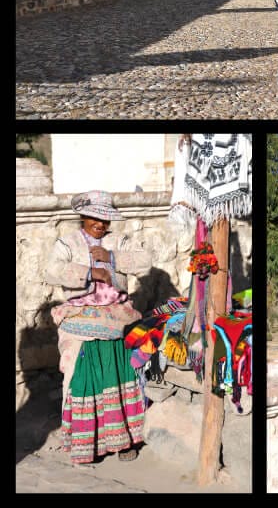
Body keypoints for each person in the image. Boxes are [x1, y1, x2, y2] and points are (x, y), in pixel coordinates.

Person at [42, 190, 153, 464]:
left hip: (116, 318)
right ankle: (86, 445)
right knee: (79, 375)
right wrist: (91, 272)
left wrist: (111, 257)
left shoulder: (118, 241)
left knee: (119, 375)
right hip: (79, 318)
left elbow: (145, 261)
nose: (100, 224)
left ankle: (125, 439)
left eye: (104, 220)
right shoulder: (66, 243)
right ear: (83, 216)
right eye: (94, 218)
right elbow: (51, 270)